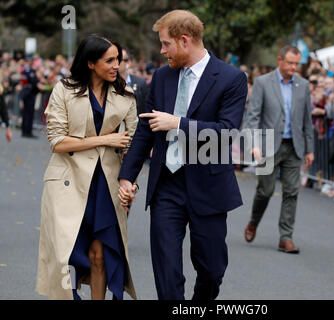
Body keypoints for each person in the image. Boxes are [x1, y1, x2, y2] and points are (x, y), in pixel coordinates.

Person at [118, 10, 247, 300]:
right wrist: (127, 176)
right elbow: (144, 130)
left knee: (212, 271)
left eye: (166, 44)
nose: (162, 51)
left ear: (184, 40)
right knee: (167, 270)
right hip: (166, 186)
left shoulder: (231, 78)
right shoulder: (162, 77)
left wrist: (177, 123)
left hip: (209, 186)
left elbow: (226, 132)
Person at [36, 34, 138, 300]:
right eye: (110, 60)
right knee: (68, 255)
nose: (117, 65)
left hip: (107, 184)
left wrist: (130, 182)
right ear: (91, 63)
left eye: (119, 59)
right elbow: (57, 141)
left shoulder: (125, 94)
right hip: (67, 183)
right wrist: (105, 139)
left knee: (100, 254)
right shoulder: (64, 90)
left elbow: (132, 145)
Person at [243, 45, 314, 254]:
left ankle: (286, 237)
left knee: (292, 191)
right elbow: (253, 116)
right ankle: (254, 221)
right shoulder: (263, 83)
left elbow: (307, 120)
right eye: (290, 63)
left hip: (294, 147)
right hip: (267, 146)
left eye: (297, 64)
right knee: (265, 190)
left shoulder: (303, 85)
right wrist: (254, 144)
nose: (294, 67)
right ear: (280, 60)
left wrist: (310, 149)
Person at [119, 48, 149, 115]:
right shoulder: (106, 84)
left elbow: (145, 110)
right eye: (111, 60)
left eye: (119, 60)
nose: (115, 63)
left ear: (128, 62)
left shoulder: (141, 83)